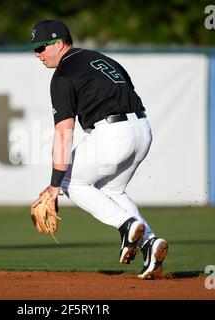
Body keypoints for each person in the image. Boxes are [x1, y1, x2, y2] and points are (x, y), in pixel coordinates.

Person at [30, 19, 168, 279]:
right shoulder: (101, 59)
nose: (37, 55)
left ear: (59, 44)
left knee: (69, 180)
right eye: (34, 49)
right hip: (142, 129)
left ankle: (126, 225)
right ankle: (149, 243)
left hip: (113, 133)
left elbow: (64, 132)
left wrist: (54, 186)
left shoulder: (62, 75)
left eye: (41, 47)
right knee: (112, 189)